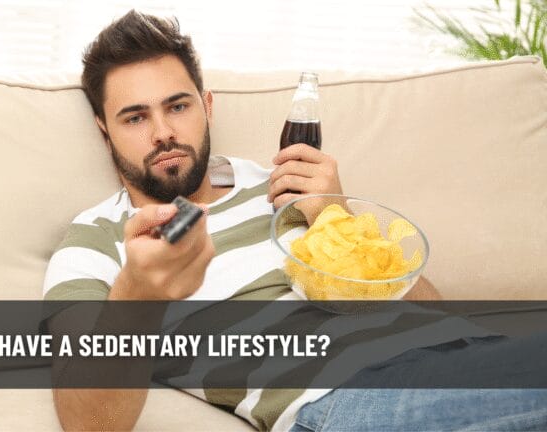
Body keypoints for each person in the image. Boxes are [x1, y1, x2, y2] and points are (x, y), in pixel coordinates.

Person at [43, 10, 546, 431]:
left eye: (177, 106)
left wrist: (338, 218)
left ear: (207, 107)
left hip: (468, 353)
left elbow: (435, 312)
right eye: (135, 117)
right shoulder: (96, 241)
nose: (163, 133)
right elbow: (87, 421)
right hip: (352, 398)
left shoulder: (287, 183)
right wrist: (138, 296)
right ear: (104, 131)